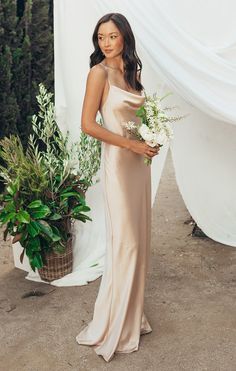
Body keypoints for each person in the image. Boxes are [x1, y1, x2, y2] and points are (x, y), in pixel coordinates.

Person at [76, 12, 160, 362]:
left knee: (139, 241)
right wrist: (132, 145)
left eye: (112, 36)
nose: (107, 43)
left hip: (138, 166)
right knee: (124, 242)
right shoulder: (98, 73)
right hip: (119, 164)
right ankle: (116, 324)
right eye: (101, 38)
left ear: (124, 37)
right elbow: (88, 125)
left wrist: (150, 138)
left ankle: (131, 314)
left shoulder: (132, 72)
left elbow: (136, 120)